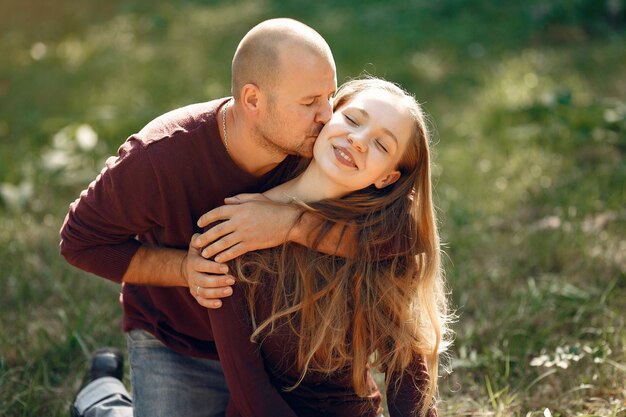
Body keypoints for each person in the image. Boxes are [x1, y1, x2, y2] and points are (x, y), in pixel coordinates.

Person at [61, 17, 339, 417]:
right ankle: (102, 400)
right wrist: (184, 269)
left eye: (331, 95)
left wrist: (292, 225)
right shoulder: (158, 158)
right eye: (310, 101)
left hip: (281, 349)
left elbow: (391, 236)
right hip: (181, 344)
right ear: (253, 100)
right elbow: (79, 242)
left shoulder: (328, 144)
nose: (329, 116)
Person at [205, 77, 450, 417]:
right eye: (352, 120)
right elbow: (248, 386)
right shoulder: (238, 227)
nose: (359, 140)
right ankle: (106, 396)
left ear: (387, 178)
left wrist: (292, 225)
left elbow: (405, 368)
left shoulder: (384, 240)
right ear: (326, 118)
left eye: (382, 145)